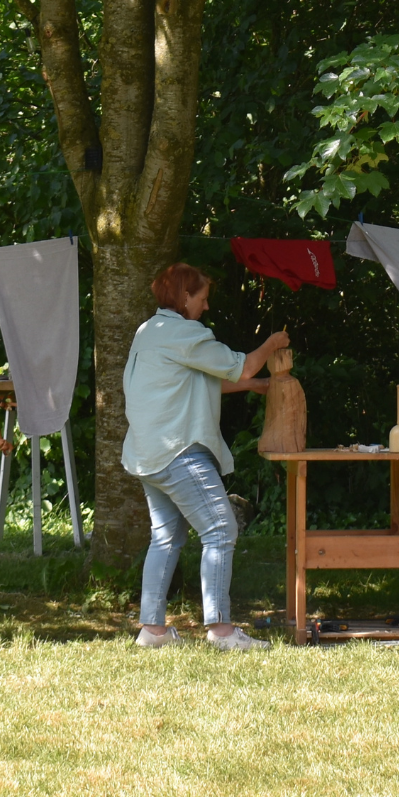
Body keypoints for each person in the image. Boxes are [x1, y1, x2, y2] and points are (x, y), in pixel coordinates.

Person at [123, 262, 282, 650]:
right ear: (185, 296)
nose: (206, 306)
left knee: (166, 537)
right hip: (177, 451)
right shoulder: (185, 333)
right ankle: (221, 632)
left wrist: (253, 385)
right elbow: (243, 365)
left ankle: (153, 631)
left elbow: (194, 381)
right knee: (221, 529)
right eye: (203, 298)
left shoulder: (150, 332)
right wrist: (272, 343)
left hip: (148, 452)